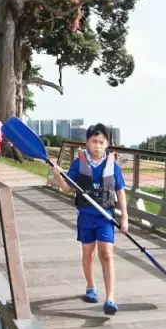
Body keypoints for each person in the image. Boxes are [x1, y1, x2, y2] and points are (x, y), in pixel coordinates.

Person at [50, 124, 128, 315]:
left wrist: (124, 216)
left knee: (107, 254)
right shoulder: (79, 163)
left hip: (105, 217)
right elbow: (66, 188)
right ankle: (91, 286)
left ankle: (110, 298)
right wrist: (58, 176)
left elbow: (120, 190)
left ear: (107, 144)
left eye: (101, 142)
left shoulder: (112, 164)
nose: (97, 146)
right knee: (88, 253)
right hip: (86, 216)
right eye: (94, 142)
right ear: (87, 143)